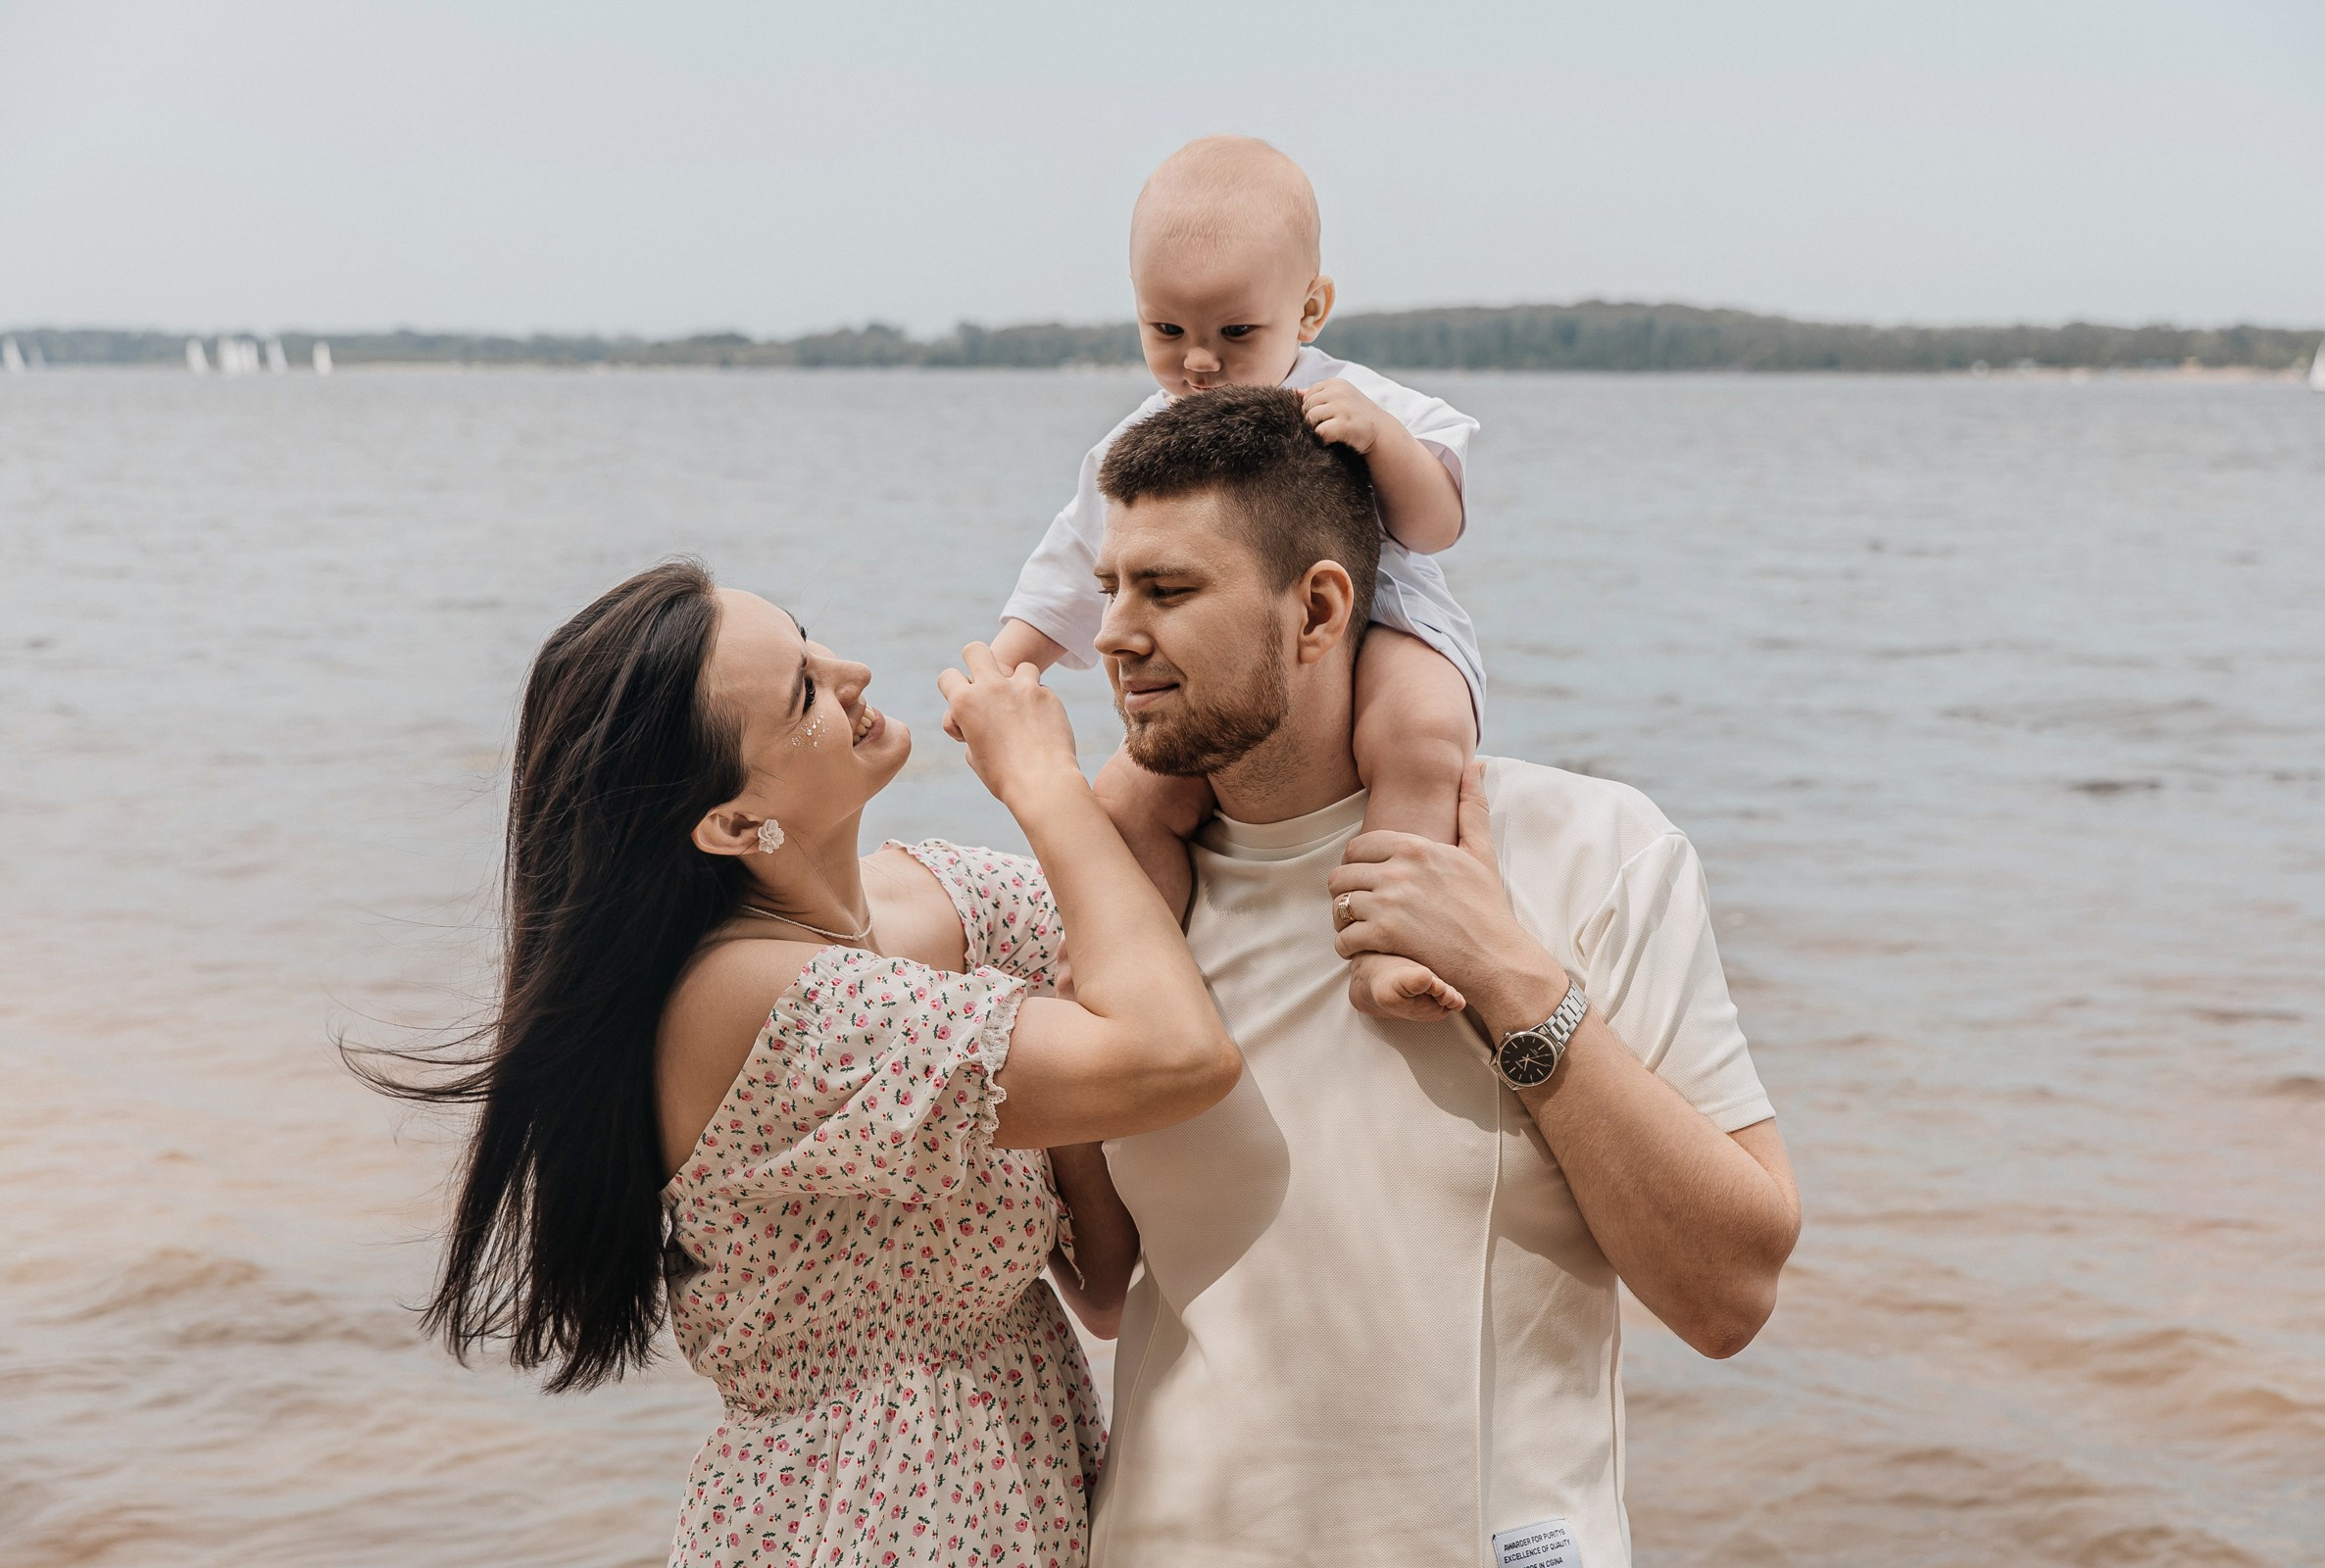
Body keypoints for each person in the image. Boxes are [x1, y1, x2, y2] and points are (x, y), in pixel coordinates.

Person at [368, 562, 1239, 1567]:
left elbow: (1100, 1272)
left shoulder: (946, 893)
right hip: (855, 1516)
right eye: (806, 693)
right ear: (736, 824)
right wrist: (1046, 787)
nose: (854, 671)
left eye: (813, 642)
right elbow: (1175, 1055)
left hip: (1025, 1477)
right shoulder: (753, 1002)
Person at [1077, 388, 1804, 1568]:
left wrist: (1516, 981)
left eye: (1166, 591)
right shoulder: (1118, 896)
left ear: (1318, 607)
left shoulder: (1597, 851)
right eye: (1108, 587)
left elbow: (1731, 1295)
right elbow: (1099, 1283)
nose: (1111, 632)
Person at [993, 134, 1483, 1022]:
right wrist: (1010, 661)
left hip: (1396, 626)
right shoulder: (1138, 440)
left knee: (1417, 736)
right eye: (1167, 331)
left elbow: (1435, 525)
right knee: (1129, 797)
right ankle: (1128, 956)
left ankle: (1389, 943)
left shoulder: (1365, 400)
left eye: (1235, 333)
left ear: (1310, 309)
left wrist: (1383, 440)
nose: (1200, 362)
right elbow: (1074, 558)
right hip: (1238, 664)